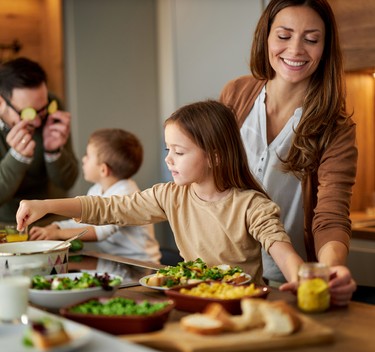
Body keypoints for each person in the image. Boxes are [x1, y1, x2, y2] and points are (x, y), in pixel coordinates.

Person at [16, 100, 304, 286]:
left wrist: (300, 280)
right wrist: (45, 205)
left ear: (215, 157)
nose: (169, 159)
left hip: (240, 305)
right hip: (190, 297)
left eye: (179, 152)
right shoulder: (170, 196)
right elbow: (108, 209)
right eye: (169, 150)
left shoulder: (251, 205)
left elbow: (280, 248)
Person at [220, 0, 357, 305]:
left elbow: (331, 215)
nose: (295, 50)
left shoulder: (335, 126)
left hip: (286, 282)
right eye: (283, 36)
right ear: (266, 38)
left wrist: (331, 269)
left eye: (311, 39)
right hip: (221, 273)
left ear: (325, 47)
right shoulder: (235, 95)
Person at [28, 128, 161, 277]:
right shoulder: (97, 190)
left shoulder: (126, 194)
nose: (83, 159)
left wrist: (57, 233)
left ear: (104, 170)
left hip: (139, 267)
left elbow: (98, 232)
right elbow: (84, 222)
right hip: (114, 262)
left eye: (88, 156)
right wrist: (56, 226)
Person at [0, 57, 78, 224]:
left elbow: (67, 182)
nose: (37, 122)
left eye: (42, 110)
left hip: (52, 223)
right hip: (6, 227)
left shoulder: (53, 105)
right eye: (28, 112)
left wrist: (54, 152)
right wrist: (17, 158)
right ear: (1, 103)